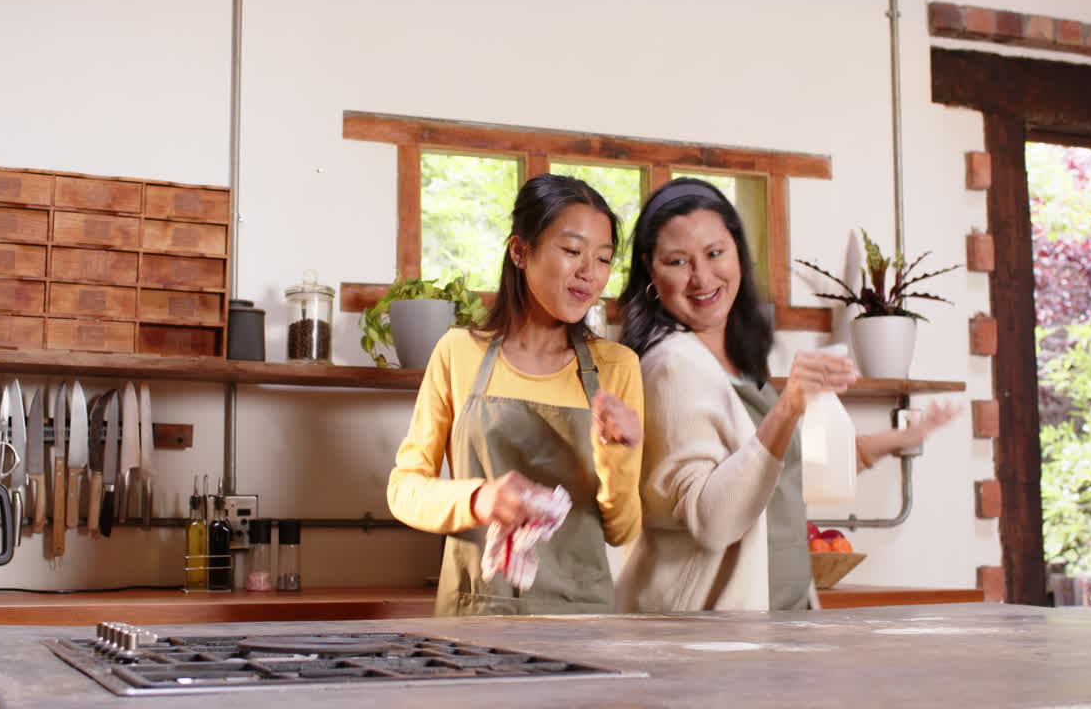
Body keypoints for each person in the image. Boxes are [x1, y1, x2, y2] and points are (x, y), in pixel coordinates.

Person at [614, 178, 958, 612]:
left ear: (738, 251)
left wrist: (896, 440)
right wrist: (790, 406)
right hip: (710, 644)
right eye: (678, 261)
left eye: (715, 253)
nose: (701, 277)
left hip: (782, 620)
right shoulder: (673, 365)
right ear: (650, 269)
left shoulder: (737, 357)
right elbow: (713, 520)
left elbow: (779, 475)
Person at [387, 173, 645, 616]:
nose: (590, 272)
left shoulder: (617, 367)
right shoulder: (458, 352)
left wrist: (618, 453)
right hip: (474, 614)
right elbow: (404, 489)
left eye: (603, 259)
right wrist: (479, 499)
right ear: (520, 251)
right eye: (571, 251)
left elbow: (622, 530)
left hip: (581, 620)